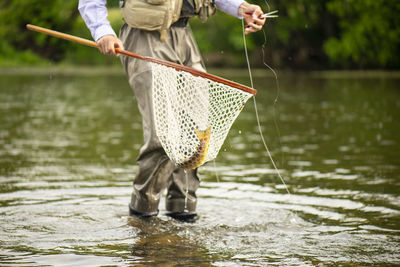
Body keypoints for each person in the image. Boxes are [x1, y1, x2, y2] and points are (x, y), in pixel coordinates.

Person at [78, 0, 265, 222]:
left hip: (184, 36)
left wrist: (241, 7)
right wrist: (102, 32)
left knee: (197, 137)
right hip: (143, 38)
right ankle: (142, 217)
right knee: (161, 138)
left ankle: (184, 216)